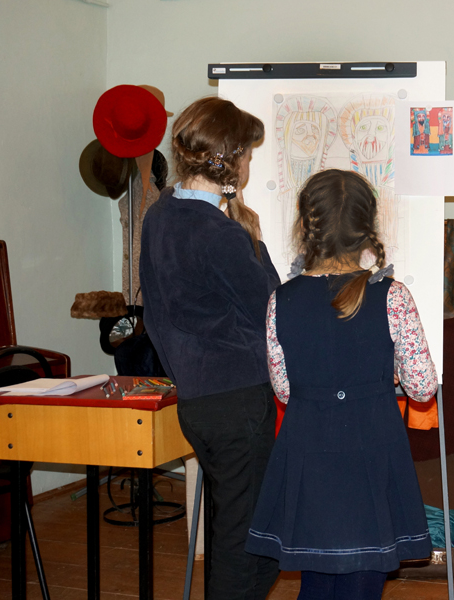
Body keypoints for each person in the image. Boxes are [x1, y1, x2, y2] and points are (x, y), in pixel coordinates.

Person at [246, 168, 437, 600]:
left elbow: (284, 389)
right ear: (367, 229)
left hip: (309, 448)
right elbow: (423, 387)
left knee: (316, 576)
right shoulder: (393, 296)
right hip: (372, 448)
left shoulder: (281, 299)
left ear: (305, 226)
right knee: (365, 575)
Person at [140, 96, 281, 599]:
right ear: (231, 161)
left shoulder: (160, 216)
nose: (249, 165)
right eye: (248, 155)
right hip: (238, 401)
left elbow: (158, 313)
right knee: (246, 540)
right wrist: (254, 241)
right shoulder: (220, 233)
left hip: (198, 401)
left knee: (233, 527)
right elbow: (273, 310)